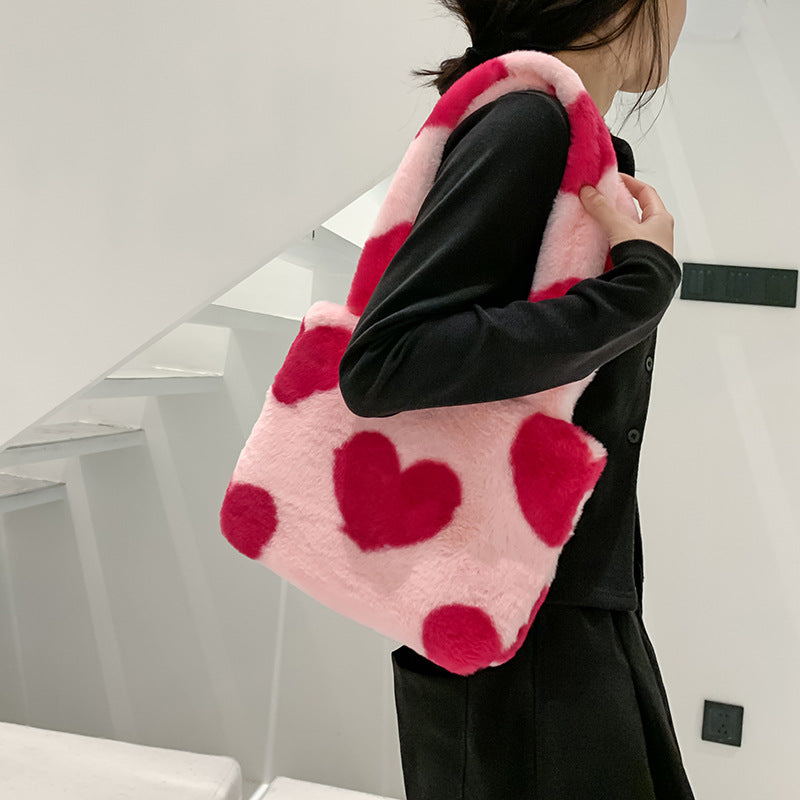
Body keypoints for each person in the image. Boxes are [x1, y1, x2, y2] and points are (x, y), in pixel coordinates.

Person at [338, 1, 695, 798]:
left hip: (555, 618)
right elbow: (386, 362)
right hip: (523, 643)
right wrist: (638, 290)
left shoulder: (566, 137)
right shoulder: (529, 125)